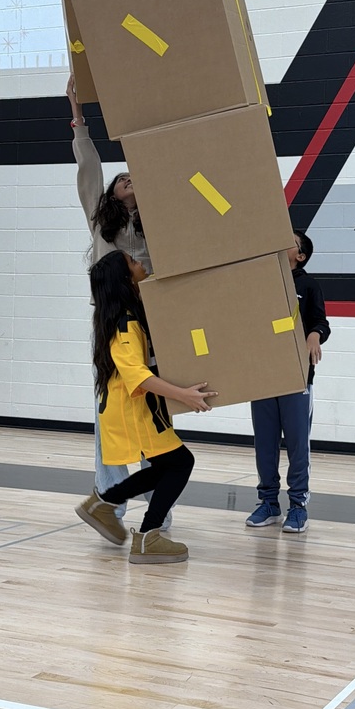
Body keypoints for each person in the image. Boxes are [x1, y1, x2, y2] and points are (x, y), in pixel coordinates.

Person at [66, 75, 166, 526]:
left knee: (152, 414)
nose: (127, 179)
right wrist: (79, 118)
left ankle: (158, 512)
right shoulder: (99, 220)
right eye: (122, 178)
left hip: (150, 327)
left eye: (134, 177)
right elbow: (89, 167)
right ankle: (111, 503)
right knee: (108, 414)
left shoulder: (156, 229)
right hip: (109, 324)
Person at [75, 250, 217, 563]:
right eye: (133, 262)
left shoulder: (129, 314)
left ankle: (104, 503)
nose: (141, 264)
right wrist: (183, 395)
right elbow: (137, 376)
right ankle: (148, 536)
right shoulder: (124, 323)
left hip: (141, 410)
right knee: (180, 464)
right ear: (124, 278)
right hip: (132, 412)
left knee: (169, 466)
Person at [245, 230, 331, 534]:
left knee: (297, 447)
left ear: (300, 256)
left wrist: (313, 335)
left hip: (296, 378)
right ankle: (268, 502)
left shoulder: (308, 285)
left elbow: (322, 322)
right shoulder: (260, 281)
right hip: (262, 377)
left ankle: (298, 507)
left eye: (290, 242)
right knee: (264, 445)